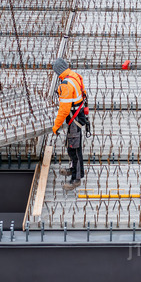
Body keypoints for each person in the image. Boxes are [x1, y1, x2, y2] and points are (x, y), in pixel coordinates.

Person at [51, 57, 88, 190]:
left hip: (74, 119)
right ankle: (73, 169)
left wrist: (56, 126)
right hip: (78, 115)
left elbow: (64, 109)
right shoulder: (75, 76)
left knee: (75, 149)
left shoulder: (66, 84)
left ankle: (76, 179)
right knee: (71, 147)